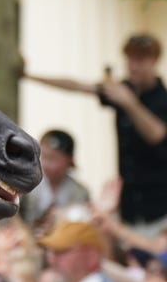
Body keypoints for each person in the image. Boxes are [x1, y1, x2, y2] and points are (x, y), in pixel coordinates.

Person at [25, 33, 167, 236]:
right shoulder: (122, 89)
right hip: (127, 205)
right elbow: (78, 86)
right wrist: (29, 76)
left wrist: (129, 103)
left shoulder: (160, 98)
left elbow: (157, 135)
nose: (134, 65)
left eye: (141, 59)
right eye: (130, 58)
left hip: (159, 206)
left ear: (154, 61)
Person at [19, 129, 89, 234]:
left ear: (70, 161)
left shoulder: (80, 193)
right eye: (44, 157)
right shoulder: (28, 186)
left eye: (54, 159)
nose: (47, 164)